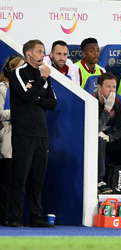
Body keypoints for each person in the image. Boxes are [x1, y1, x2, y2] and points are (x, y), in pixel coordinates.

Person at [7, 40, 57, 227]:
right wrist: (41, 83)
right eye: (38, 51)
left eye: (43, 51)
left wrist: (35, 94)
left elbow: (52, 103)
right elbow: (26, 97)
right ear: (28, 54)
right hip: (23, 132)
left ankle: (36, 216)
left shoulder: (44, 75)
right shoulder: (19, 73)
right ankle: (15, 217)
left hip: (41, 133)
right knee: (20, 176)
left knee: (38, 177)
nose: (42, 55)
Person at [0, 54, 25, 226]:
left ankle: (15, 216)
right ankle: (4, 216)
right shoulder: (3, 88)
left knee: (18, 180)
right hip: (7, 136)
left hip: (23, 137)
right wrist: (18, 114)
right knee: (6, 181)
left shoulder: (25, 88)